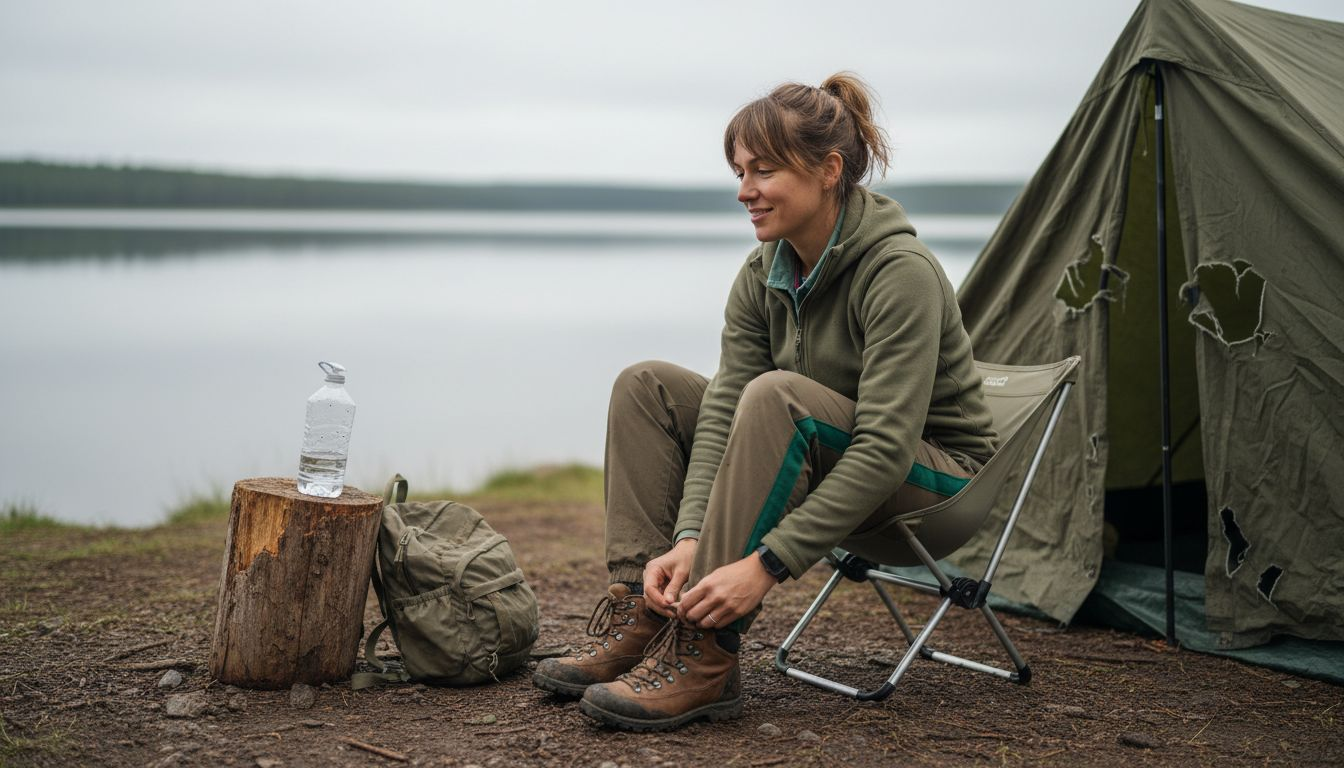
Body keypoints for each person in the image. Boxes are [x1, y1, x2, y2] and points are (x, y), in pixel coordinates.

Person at [532, 72, 998, 731]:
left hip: (939, 487)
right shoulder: (765, 271)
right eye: (740, 171)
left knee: (778, 396)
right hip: (831, 452)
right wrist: (690, 536)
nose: (744, 190)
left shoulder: (900, 272)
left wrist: (766, 564)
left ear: (828, 170)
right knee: (648, 386)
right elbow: (723, 410)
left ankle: (705, 654)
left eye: (764, 170)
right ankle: (647, 610)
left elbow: (886, 448)